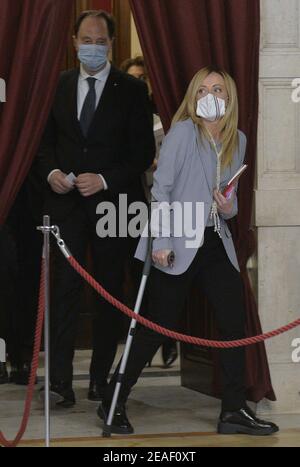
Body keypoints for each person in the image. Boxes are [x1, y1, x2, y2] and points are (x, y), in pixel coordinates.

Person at [98, 66, 279, 436]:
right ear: (193, 97)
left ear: (228, 98)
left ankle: (233, 409)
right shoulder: (182, 133)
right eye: (201, 90)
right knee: (154, 326)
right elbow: (161, 191)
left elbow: (232, 204)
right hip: (177, 239)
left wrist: (228, 207)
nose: (209, 96)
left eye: (217, 89)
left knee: (233, 323)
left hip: (216, 241)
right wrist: (161, 242)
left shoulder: (237, 140)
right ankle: (112, 399)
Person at [37, 10, 155, 407]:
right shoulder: (57, 85)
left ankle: (101, 379)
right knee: (64, 292)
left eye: (100, 41)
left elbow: (142, 152)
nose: (92, 47)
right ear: (73, 42)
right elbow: (43, 143)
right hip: (66, 206)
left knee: (108, 293)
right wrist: (52, 170)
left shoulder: (132, 90)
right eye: (86, 40)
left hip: (114, 207)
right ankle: (59, 383)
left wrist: (104, 179)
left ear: (111, 44)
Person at [121, 56, 178, 368]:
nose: (140, 83)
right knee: (136, 277)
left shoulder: (163, 119)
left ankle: (167, 339)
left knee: (163, 279)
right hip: (131, 209)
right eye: (134, 77)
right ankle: (140, 337)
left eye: (144, 77)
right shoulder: (123, 117)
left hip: (164, 211)